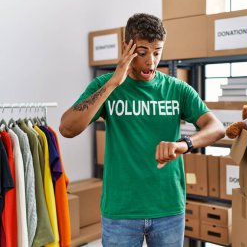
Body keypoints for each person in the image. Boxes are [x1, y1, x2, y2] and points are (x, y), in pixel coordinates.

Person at [59, 13, 225, 247]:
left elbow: (216, 128)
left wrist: (183, 144)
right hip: (121, 211)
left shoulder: (177, 90)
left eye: (157, 52)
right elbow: (67, 127)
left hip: (168, 208)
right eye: (143, 52)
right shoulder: (105, 86)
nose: (151, 61)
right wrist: (114, 82)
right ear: (126, 47)